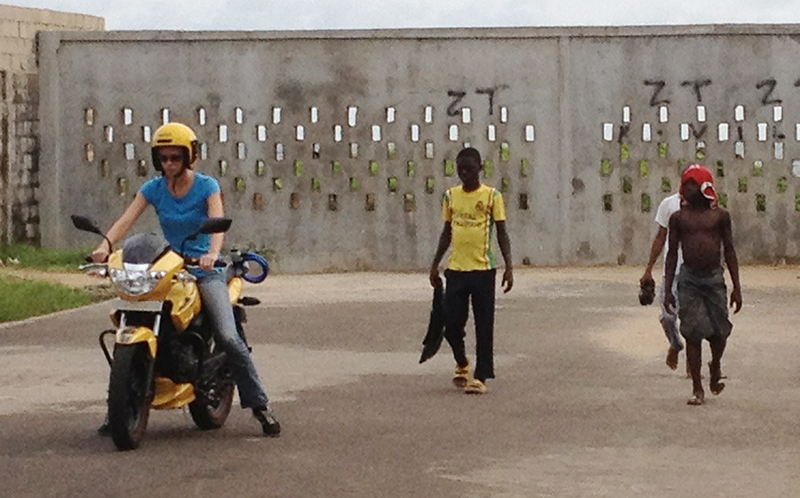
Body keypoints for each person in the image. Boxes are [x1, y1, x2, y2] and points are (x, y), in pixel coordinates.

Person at [91, 122, 280, 436]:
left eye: (175, 158)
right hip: (169, 268)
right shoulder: (154, 188)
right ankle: (121, 406)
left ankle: (260, 405)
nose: (168, 164)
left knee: (228, 336)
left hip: (206, 269)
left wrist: (211, 254)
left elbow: (216, 224)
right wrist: (104, 246)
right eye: (163, 158)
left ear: (189, 157)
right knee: (132, 316)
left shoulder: (207, 186)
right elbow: (127, 218)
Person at [429, 147, 513, 395]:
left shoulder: (491, 196)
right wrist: (435, 264)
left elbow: (502, 232)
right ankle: (462, 362)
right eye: (460, 168)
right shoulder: (450, 196)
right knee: (451, 324)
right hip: (456, 270)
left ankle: (481, 376)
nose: (464, 173)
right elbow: (447, 232)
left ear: (480, 169)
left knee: (484, 324)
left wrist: (509, 266)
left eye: (469, 168)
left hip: (484, 270)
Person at [664, 164, 742, 406]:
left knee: (721, 332)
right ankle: (698, 388)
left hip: (713, 279)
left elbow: (729, 250)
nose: (687, 188)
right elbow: (672, 255)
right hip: (689, 280)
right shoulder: (678, 218)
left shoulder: (719, 217)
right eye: (685, 184)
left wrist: (737, 287)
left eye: (692, 184)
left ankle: (715, 365)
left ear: (704, 187)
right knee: (693, 334)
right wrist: (668, 289)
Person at [640, 192, 685, 372]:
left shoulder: (703, 204)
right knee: (667, 317)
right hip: (671, 270)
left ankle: (693, 364)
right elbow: (660, 236)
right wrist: (649, 269)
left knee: (691, 319)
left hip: (694, 271)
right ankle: (675, 345)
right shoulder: (669, 204)